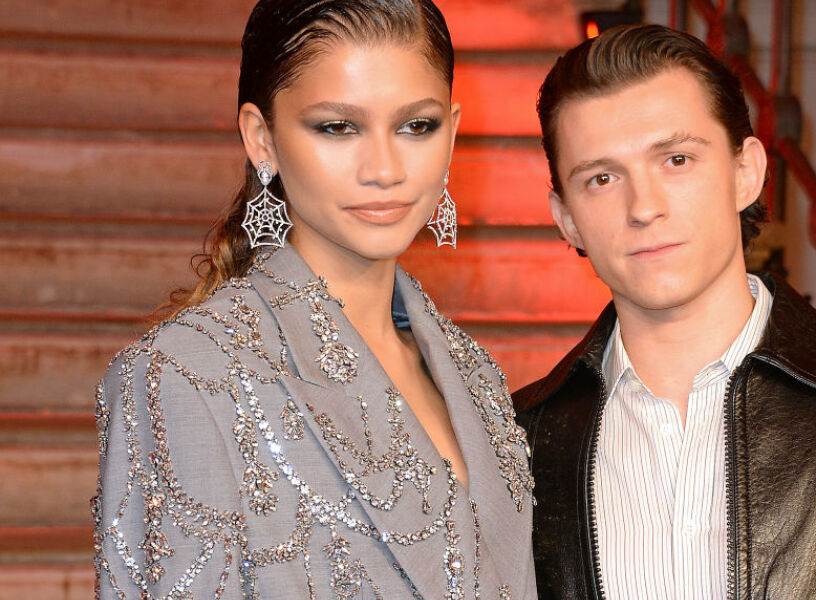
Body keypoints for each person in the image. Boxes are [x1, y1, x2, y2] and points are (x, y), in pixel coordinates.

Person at [513, 24, 816, 599]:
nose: (644, 207)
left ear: (745, 171)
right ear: (567, 217)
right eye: (601, 178)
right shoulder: (521, 439)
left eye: (676, 159)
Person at [93, 1, 536, 598]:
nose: (385, 168)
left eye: (417, 126)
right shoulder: (187, 373)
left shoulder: (474, 372)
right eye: (337, 127)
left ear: (453, 132)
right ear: (262, 138)